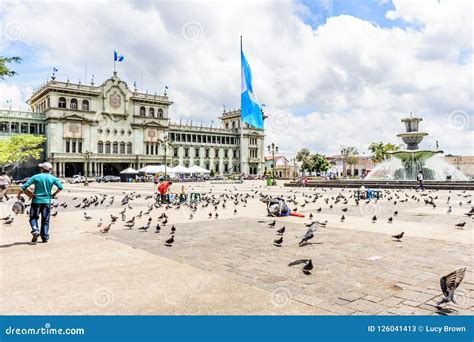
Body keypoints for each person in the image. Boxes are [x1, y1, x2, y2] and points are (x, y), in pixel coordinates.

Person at [17, 162, 63, 243]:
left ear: (42, 169)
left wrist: (19, 194)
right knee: (45, 219)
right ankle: (44, 236)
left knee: (33, 217)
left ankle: (35, 230)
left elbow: (24, 186)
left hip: (36, 201)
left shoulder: (36, 176)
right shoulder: (53, 178)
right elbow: (60, 187)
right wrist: (54, 194)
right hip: (46, 202)